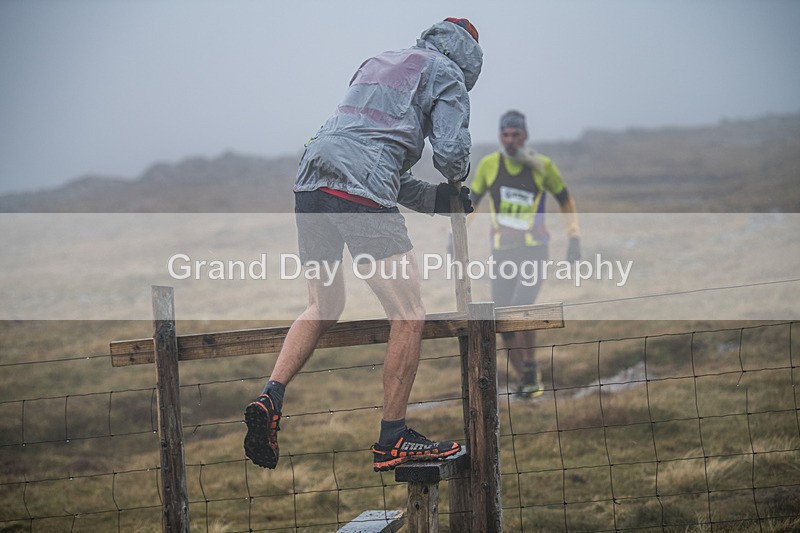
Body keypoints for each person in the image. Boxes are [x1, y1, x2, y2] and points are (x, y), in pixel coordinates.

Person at [244, 18, 483, 472]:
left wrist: (436, 200)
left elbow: (374, 158)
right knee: (408, 314)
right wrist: (456, 178)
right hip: (357, 186)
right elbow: (449, 153)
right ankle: (392, 438)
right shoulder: (448, 74)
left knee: (322, 305)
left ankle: (270, 396)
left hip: (311, 177)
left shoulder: (380, 63)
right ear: (471, 61)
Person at [469, 110, 580, 398]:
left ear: (525, 136)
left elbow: (565, 199)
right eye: (505, 135)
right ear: (499, 137)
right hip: (502, 252)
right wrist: (453, 235)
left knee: (522, 307)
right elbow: (472, 203)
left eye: (515, 134)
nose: (510, 140)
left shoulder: (541, 166)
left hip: (534, 250)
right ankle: (526, 379)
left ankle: (530, 366)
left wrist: (574, 237)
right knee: (503, 321)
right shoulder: (490, 165)